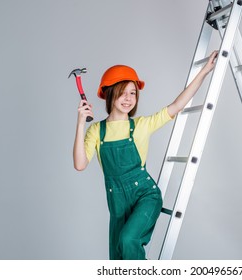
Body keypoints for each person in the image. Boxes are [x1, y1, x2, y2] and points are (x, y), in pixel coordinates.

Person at [73, 50, 218, 260]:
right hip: (118, 206)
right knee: (118, 257)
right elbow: (79, 164)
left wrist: (204, 71)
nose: (128, 98)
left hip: (145, 197)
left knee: (128, 240)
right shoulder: (96, 131)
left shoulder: (141, 125)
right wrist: (80, 123)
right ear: (110, 93)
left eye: (133, 93)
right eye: (122, 92)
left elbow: (177, 105)